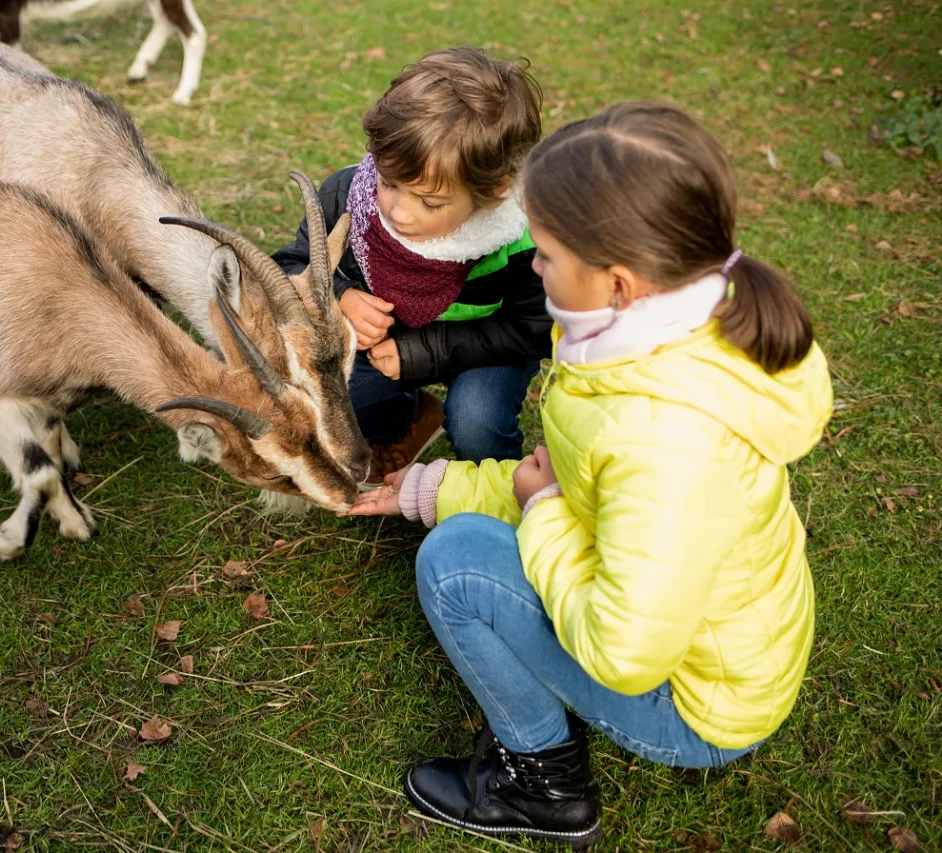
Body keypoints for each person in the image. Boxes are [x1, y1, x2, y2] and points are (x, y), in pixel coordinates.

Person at [342, 101, 834, 847]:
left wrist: (538, 514)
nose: (532, 267)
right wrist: (427, 488)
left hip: (691, 703)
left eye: (544, 255)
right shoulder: (667, 331)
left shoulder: (664, 437)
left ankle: (543, 782)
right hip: (718, 653)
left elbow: (624, 652)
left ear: (618, 282)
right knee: (457, 530)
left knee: (453, 566)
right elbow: (581, 491)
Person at [272, 47, 552, 481]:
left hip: (489, 348)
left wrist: (424, 353)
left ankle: (495, 490)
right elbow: (289, 266)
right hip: (383, 349)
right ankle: (406, 421)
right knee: (326, 402)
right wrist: (340, 295)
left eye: (430, 202)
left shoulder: (523, 239)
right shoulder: (348, 196)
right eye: (389, 182)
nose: (399, 212)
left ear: (497, 189)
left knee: (478, 422)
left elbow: (533, 330)